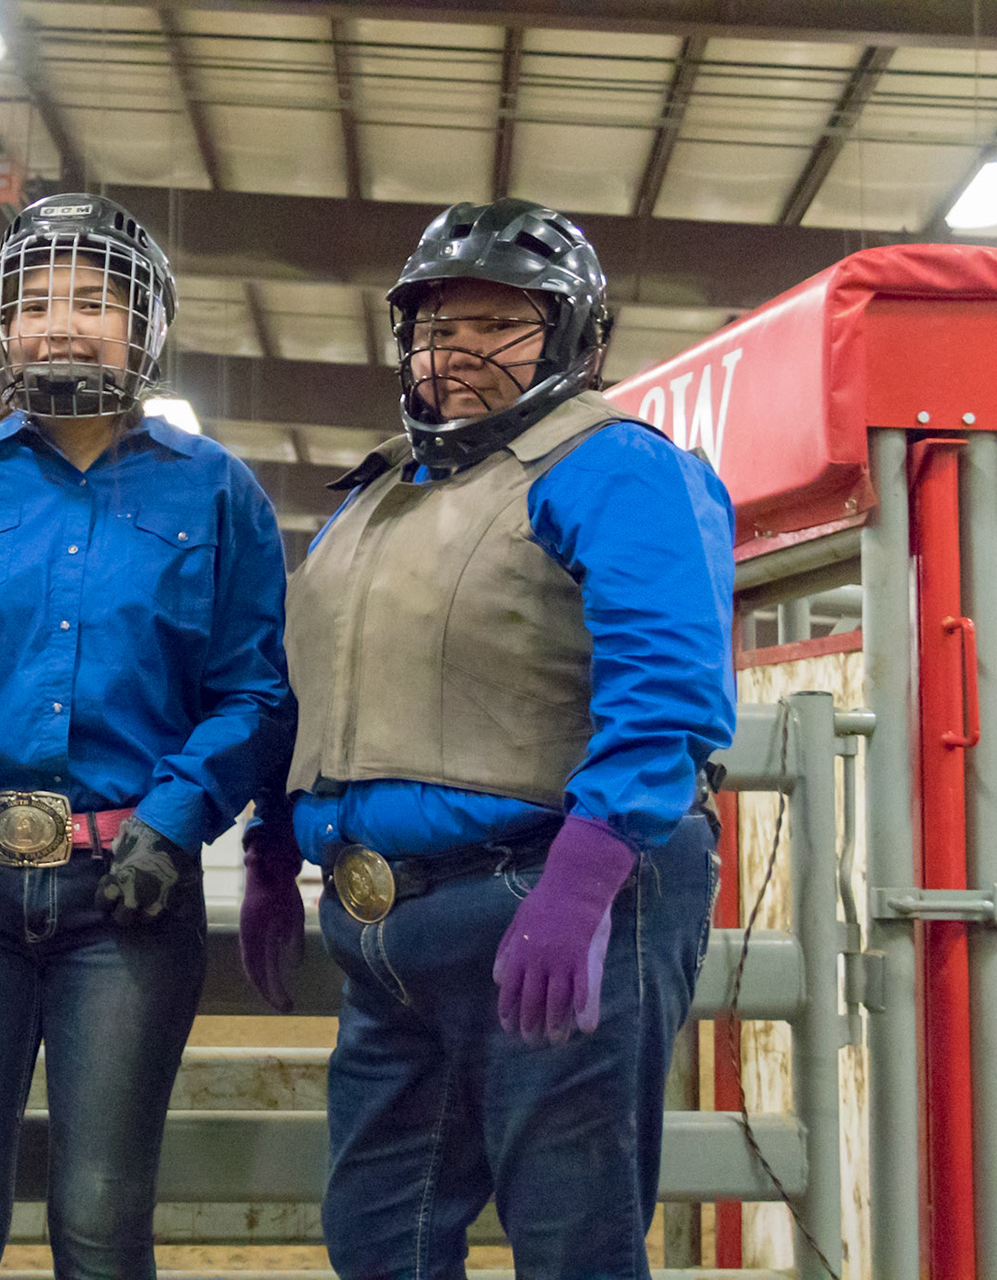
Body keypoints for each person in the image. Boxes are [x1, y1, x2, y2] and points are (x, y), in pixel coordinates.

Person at [238, 197, 736, 1277]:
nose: (457, 349)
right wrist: (272, 848)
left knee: (570, 1238)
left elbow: (666, 686)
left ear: (572, 337)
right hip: (386, 921)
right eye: (437, 326)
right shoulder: (373, 495)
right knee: (381, 1235)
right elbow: (306, 686)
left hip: (546, 892)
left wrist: (582, 885)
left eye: (500, 323)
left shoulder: (614, 465)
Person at [0, 192, 296, 1280]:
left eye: (95, 301)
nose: (62, 325)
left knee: (101, 1222)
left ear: (144, 326)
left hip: (128, 894)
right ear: (2, 327)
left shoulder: (217, 492)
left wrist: (175, 819)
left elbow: (253, 690)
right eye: (36, 303)